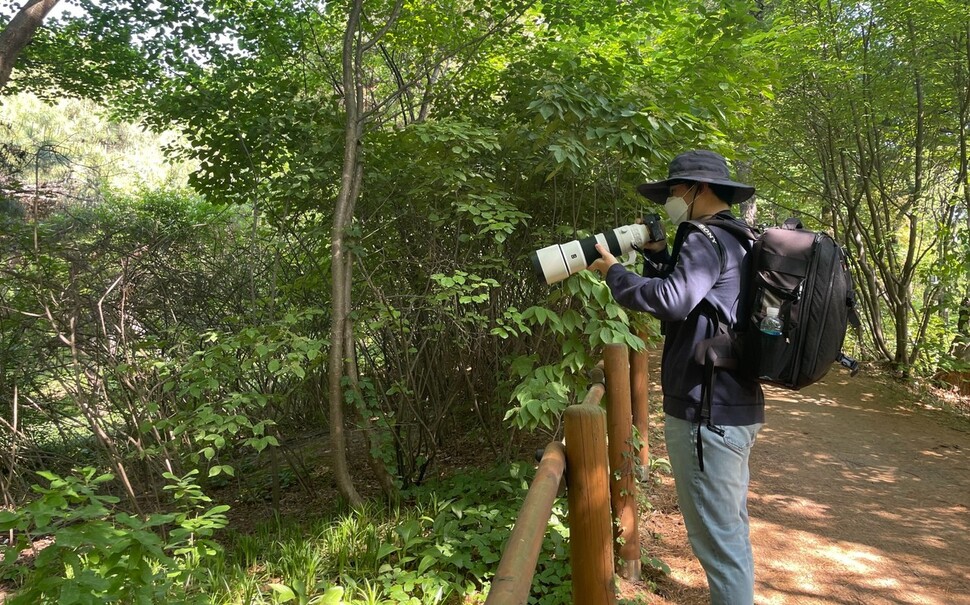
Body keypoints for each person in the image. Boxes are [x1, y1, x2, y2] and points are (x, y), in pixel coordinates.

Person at [589, 150, 765, 605]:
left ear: (698, 190)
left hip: (707, 412)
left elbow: (672, 301)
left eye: (674, 190)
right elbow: (699, 305)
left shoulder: (705, 235)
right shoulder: (740, 238)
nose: (671, 199)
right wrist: (659, 254)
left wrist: (615, 273)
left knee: (720, 546)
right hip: (734, 404)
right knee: (729, 532)